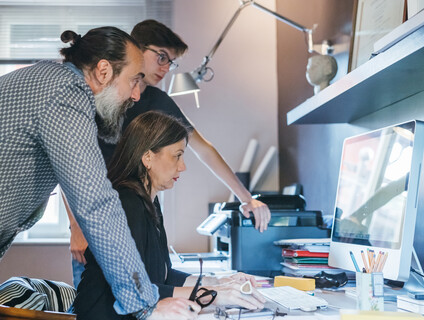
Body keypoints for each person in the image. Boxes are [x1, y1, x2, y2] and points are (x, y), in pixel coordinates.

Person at [0, 27, 199, 319]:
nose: (134, 96)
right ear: (104, 71)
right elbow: (95, 202)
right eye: (133, 80)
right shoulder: (66, 93)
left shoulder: (49, 83)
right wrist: (145, 303)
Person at [68, 20, 272, 286]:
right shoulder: (97, 97)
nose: (165, 68)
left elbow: (203, 149)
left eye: (171, 62)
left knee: (151, 290)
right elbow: (69, 165)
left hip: (141, 213)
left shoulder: (157, 101)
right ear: (135, 50)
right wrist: (76, 227)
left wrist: (247, 198)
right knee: (98, 302)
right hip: (95, 218)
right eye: (161, 57)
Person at [74, 111, 266, 319]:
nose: (182, 167)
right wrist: (214, 295)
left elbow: (165, 276)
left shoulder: (150, 201)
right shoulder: (126, 203)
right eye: (177, 155)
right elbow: (137, 288)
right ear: (148, 157)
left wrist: (218, 282)